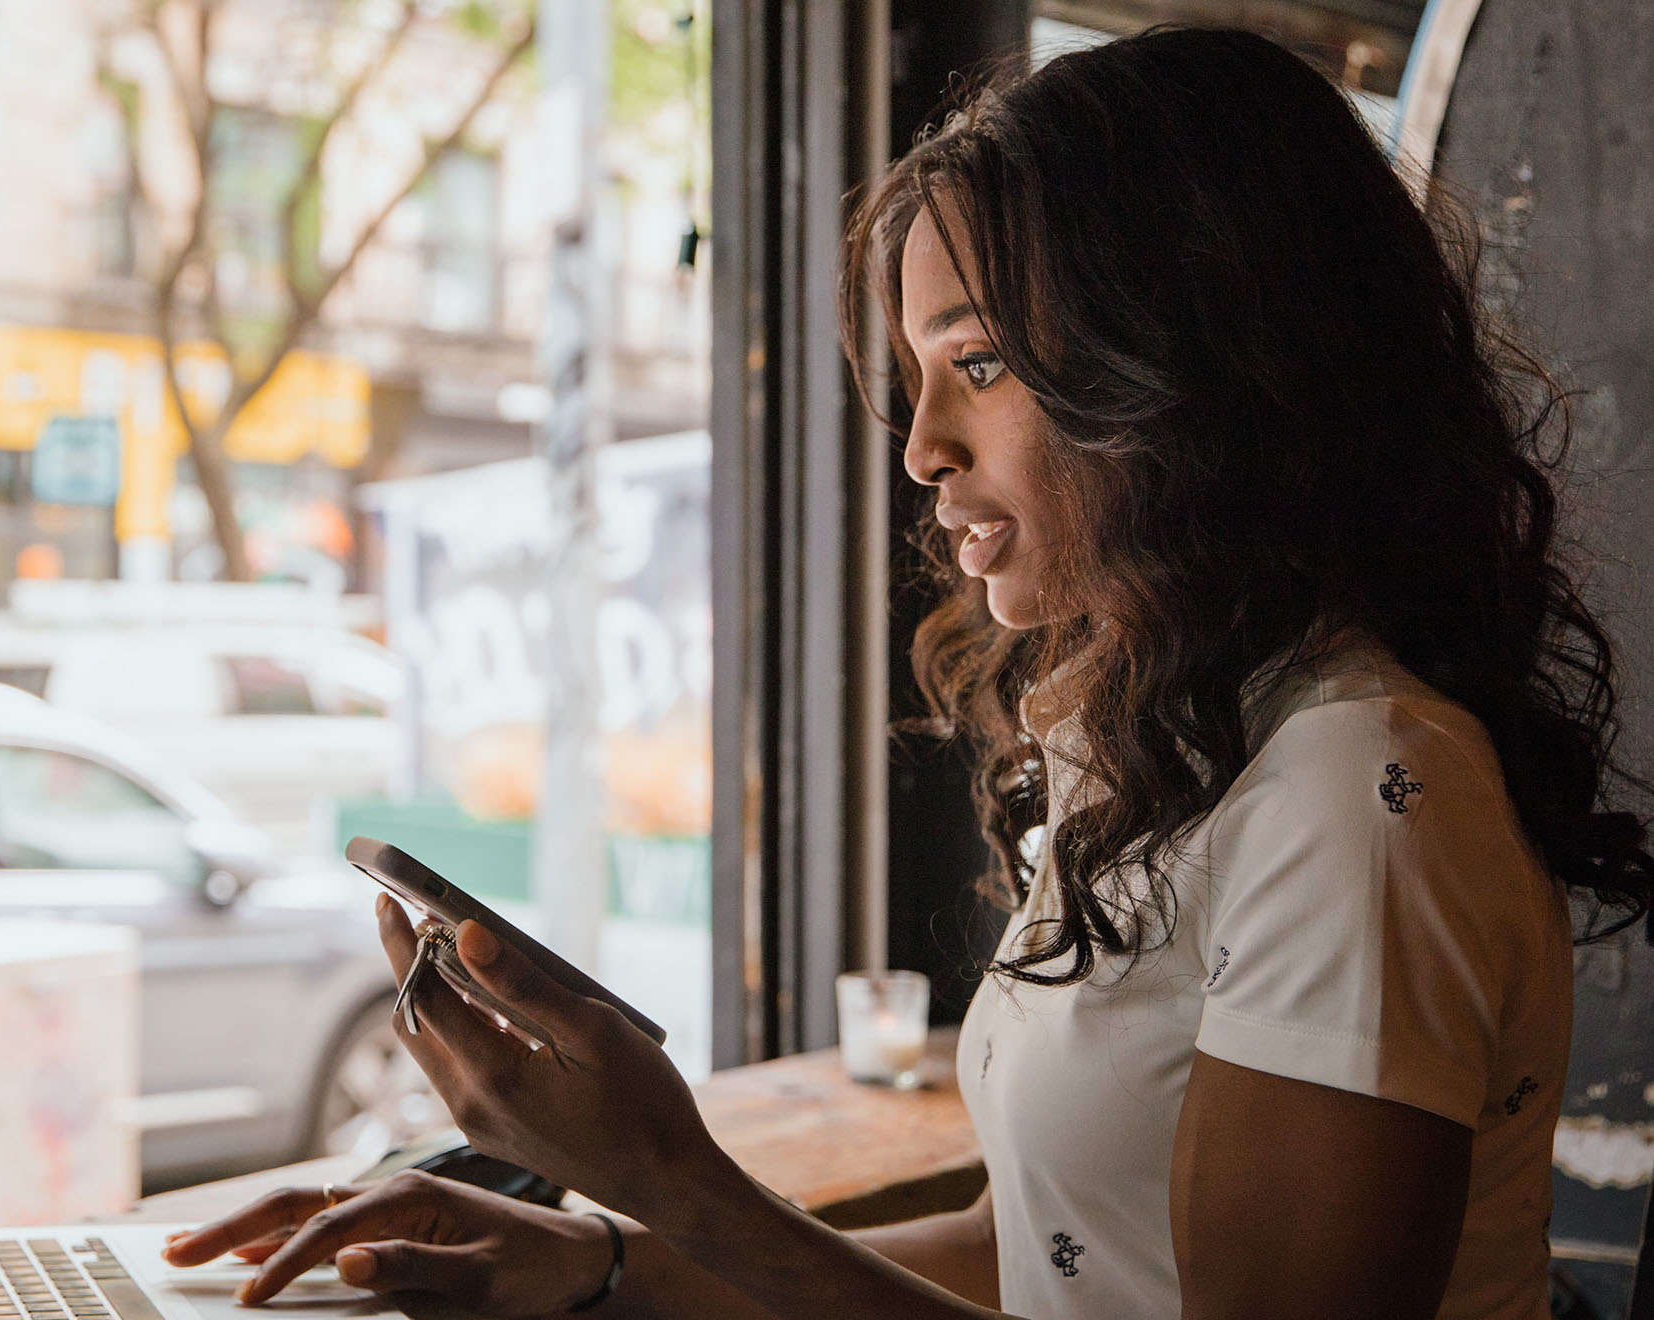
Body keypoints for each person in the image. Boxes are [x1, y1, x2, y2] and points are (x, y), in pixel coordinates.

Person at [163, 26, 1654, 1319]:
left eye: (982, 364)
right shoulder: (1159, 745)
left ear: (1198, 364)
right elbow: (1032, 1261)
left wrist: (678, 1181)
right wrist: (591, 1259)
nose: (924, 448)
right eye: (917, 377)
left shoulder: (1355, 790)